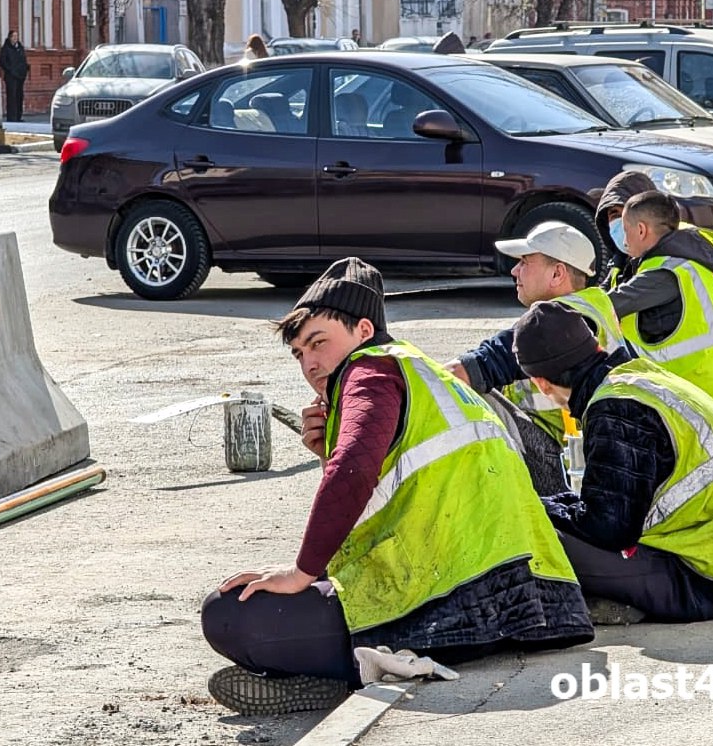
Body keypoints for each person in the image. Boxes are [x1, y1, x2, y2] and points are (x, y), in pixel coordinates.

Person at [200, 258, 594, 715]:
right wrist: (325, 452)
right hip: (539, 605)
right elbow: (400, 494)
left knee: (227, 613)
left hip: (444, 610)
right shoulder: (426, 373)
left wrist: (302, 572)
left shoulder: (369, 371)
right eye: (299, 354)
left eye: (318, 343)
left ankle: (349, 674)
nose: (310, 364)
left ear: (364, 330)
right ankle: (347, 669)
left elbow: (354, 471)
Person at [512, 301, 713, 623]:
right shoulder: (642, 378)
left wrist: (539, 508)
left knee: (529, 530)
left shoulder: (616, 408)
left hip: (707, 582)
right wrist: (558, 504)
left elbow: (609, 529)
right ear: (597, 346)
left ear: (542, 384)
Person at [446, 222, 625, 443]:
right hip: (584, 443)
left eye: (524, 261)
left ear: (557, 273)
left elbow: (462, 371)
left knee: (466, 396)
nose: (514, 271)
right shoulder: (595, 305)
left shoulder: (553, 325)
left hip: (559, 454)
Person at [607, 189, 713, 411]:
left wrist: (559, 308)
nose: (624, 241)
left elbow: (607, 305)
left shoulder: (663, 273)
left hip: (692, 401)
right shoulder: (699, 261)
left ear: (641, 230)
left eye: (626, 231)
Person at [0, 30, 29, 122]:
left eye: (17, 36)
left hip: (20, 76)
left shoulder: (20, 47)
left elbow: (23, 60)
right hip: (11, 77)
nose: (15, 38)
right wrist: (11, 70)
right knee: (12, 96)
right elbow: (2, 62)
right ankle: (12, 117)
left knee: (19, 96)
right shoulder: (6, 48)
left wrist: (25, 69)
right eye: (14, 36)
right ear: (10, 37)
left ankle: (18, 116)